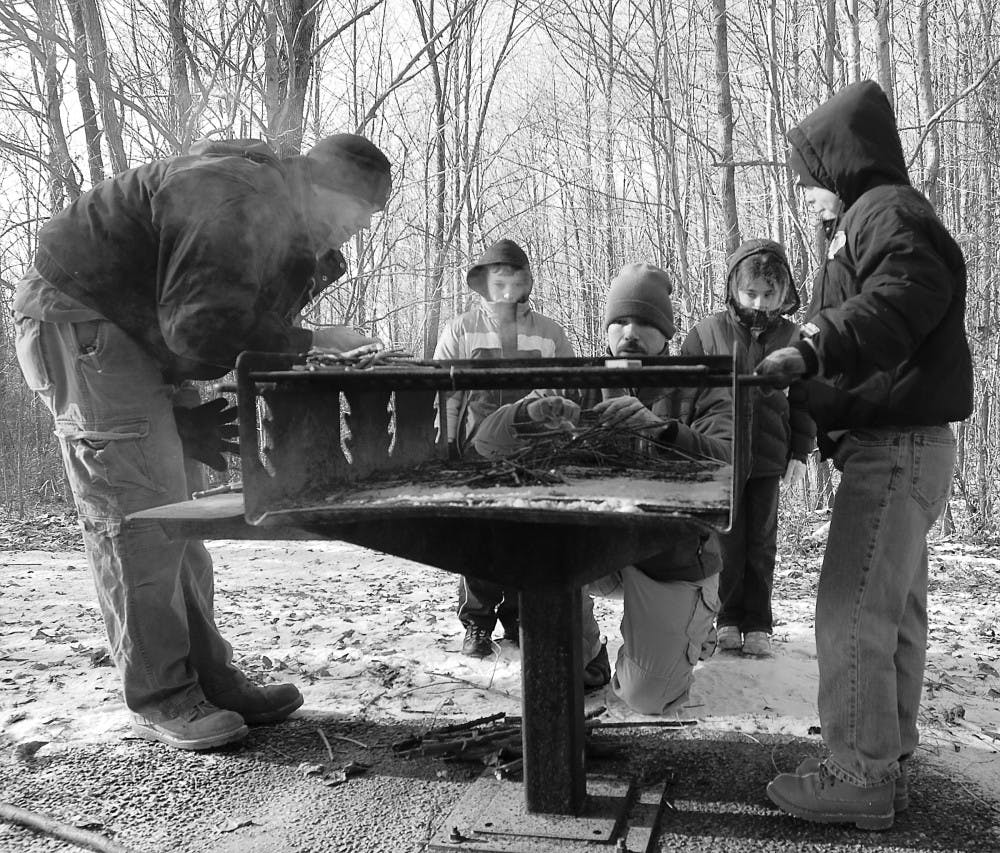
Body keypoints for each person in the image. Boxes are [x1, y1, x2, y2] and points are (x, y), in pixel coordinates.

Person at [12, 133, 392, 750]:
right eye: (354, 217)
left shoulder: (274, 214)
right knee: (134, 513)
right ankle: (163, 692)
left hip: (140, 335)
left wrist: (178, 406)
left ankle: (208, 674)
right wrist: (311, 341)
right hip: (82, 325)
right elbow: (201, 330)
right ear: (326, 188)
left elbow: (204, 318)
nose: (352, 234)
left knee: (176, 514)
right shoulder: (237, 196)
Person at [756, 81, 973, 829]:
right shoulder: (878, 217)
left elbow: (905, 296)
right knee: (893, 611)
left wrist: (815, 345)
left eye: (811, 180)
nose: (808, 197)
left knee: (848, 611)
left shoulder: (885, 213)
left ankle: (856, 770)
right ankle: (887, 750)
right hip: (907, 444)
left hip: (895, 447)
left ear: (842, 168)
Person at [473, 263, 732, 713]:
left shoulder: (700, 383)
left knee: (645, 697)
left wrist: (663, 431)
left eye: (645, 322)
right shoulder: (579, 379)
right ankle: (587, 654)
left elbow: (729, 462)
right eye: (620, 321)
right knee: (536, 545)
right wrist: (525, 417)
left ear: (666, 332)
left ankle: (694, 623)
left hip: (670, 556)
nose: (630, 332)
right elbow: (485, 445)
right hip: (591, 551)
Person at [433, 239, 575, 658]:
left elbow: (564, 391)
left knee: (526, 535)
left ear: (527, 282)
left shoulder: (549, 333)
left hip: (533, 453)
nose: (507, 288)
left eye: (515, 279)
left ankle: (518, 616)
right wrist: (444, 445)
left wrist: (556, 440)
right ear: (484, 283)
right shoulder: (461, 330)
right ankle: (477, 624)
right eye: (499, 280)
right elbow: (445, 393)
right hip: (475, 450)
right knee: (480, 538)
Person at [682, 239, 815, 657]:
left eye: (768, 294)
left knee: (761, 541)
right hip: (718, 457)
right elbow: (686, 397)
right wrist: (684, 449)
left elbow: (806, 399)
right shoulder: (706, 333)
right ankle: (726, 618)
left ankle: (758, 621)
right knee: (725, 541)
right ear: (734, 289)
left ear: (783, 294)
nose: (759, 303)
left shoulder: (794, 337)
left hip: (768, 458)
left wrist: (800, 450)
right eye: (751, 293)